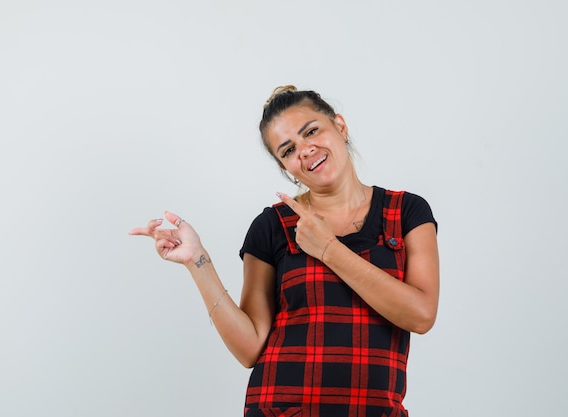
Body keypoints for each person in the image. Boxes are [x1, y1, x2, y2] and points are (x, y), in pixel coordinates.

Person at [129, 86, 439, 417]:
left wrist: (328, 249)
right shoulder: (272, 225)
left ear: (340, 126)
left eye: (312, 131)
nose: (305, 151)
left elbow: (421, 315)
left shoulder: (406, 211)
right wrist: (197, 261)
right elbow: (250, 349)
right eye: (288, 149)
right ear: (285, 166)